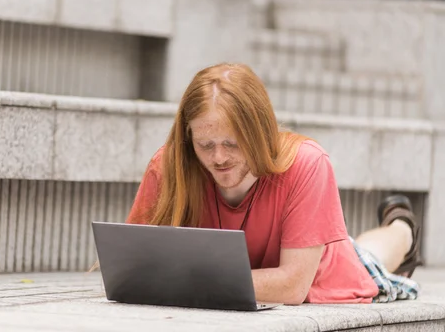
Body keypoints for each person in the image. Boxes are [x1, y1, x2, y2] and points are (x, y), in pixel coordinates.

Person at [126, 63, 422, 305]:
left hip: (321, 269)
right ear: (189, 138)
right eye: (205, 145)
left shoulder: (308, 162)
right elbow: (131, 267)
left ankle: (402, 226)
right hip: (241, 274)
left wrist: (186, 281)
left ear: (260, 134)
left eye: (232, 143)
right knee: (359, 247)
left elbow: (291, 286)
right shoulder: (169, 165)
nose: (218, 158)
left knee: (369, 255)